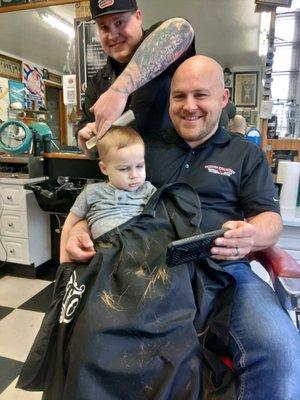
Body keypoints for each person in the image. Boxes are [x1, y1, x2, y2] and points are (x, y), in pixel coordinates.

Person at [65, 55, 300, 399]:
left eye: (201, 95)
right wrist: (81, 228)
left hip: (226, 276)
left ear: (223, 97)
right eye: (179, 96)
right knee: (87, 343)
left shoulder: (244, 155)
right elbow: (108, 194)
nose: (189, 107)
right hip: (148, 273)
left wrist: (252, 235)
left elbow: (270, 219)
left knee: (280, 351)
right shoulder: (145, 147)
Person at [76, 0, 195, 155]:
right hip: (122, 176)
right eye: (104, 27)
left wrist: (119, 91)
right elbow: (87, 136)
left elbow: (181, 28)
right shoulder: (97, 83)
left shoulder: (164, 50)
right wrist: (85, 139)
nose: (112, 35)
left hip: (174, 171)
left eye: (119, 22)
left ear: (138, 17)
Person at [60, 126, 156, 261]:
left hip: (143, 256)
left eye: (140, 166)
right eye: (124, 169)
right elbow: (69, 224)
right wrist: (64, 265)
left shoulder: (148, 190)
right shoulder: (92, 192)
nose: (134, 175)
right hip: (105, 259)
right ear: (104, 168)